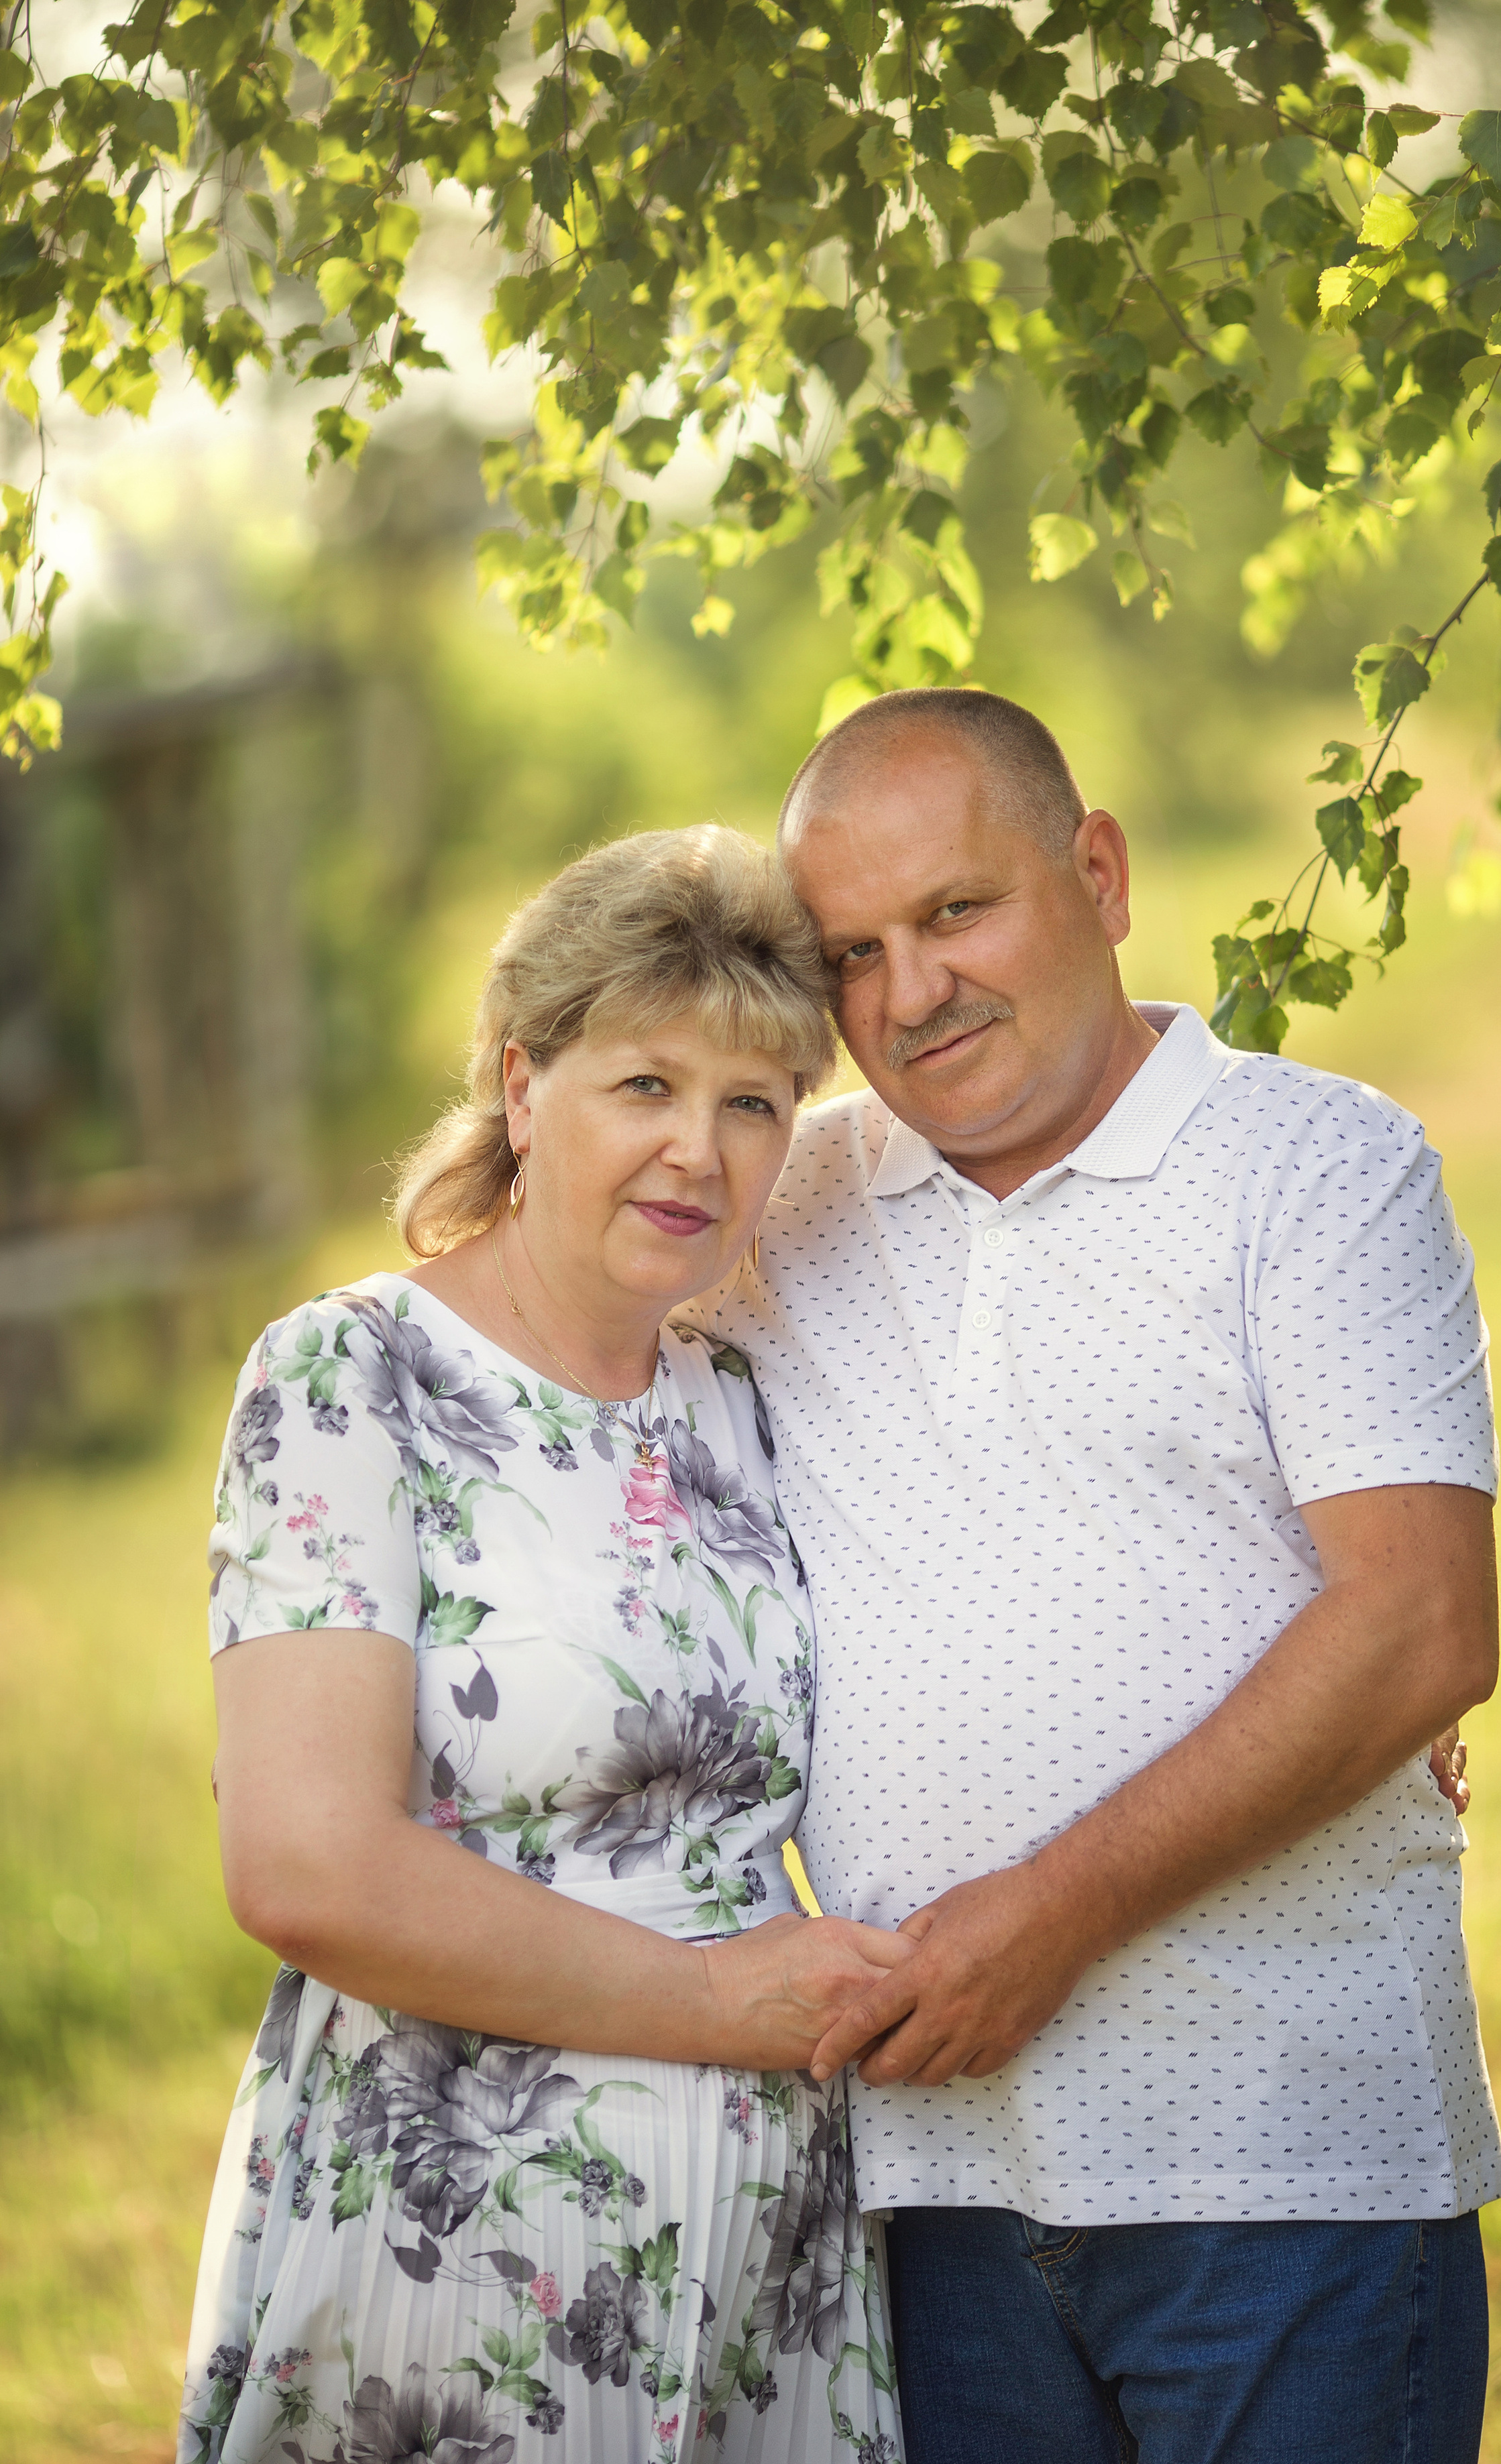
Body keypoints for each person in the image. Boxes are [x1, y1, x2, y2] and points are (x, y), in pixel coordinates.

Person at [689, 687, 1501, 2464]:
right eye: (852, 954)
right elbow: (541, 1261)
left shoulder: (1318, 1166)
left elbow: (1422, 1620)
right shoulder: (778, 1208)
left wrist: (1053, 1910)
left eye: (957, 910)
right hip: (926, 2186)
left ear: (1101, 873)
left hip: (1287, 2162)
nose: (913, 991)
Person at [178, 830, 906, 2464]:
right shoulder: (350, 1377)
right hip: (466, 2244)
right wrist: (712, 1998)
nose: (697, 1150)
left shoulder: (737, 1396)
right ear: (521, 1083)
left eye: (753, 1102)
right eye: (644, 1083)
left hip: (762, 2249)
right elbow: (303, 1864)